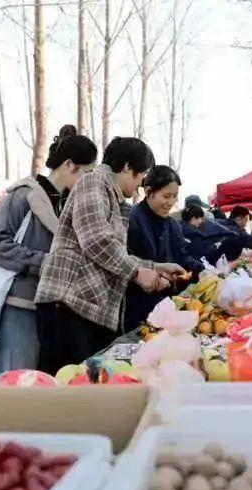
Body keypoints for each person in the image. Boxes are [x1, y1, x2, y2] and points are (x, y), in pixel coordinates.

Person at [35, 137, 182, 374]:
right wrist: (137, 273)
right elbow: (96, 240)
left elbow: (113, 252)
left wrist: (154, 267)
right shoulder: (94, 181)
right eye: (140, 175)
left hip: (88, 308)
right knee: (65, 388)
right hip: (69, 304)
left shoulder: (114, 198)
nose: (140, 184)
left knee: (86, 387)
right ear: (126, 167)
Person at [0, 125, 98, 372]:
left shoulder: (68, 202)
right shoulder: (23, 195)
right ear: (69, 165)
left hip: (56, 308)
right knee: (20, 385)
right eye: (85, 173)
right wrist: (43, 262)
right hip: (21, 304)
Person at [125, 166, 203, 330]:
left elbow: (182, 256)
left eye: (175, 196)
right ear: (148, 192)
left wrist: (201, 271)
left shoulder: (172, 224)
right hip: (139, 308)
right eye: (166, 196)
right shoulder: (132, 220)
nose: (171, 202)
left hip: (168, 305)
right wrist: (156, 278)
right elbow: (126, 261)